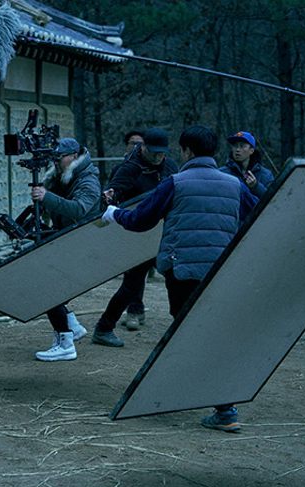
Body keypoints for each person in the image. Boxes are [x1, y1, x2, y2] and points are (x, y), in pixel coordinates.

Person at [101, 125, 258, 431]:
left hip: (182, 271)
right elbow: (258, 216)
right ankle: (186, 391)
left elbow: (140, 220)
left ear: (186, 151)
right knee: (204, 331)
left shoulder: (175, 182)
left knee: (192, 334)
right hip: (219, 272)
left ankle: (225, 408)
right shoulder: (235, 185)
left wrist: (113, 213)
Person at [93, 128, 179, 347]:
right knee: (131, 286)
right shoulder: (130, 168)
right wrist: (111, 196)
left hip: (165, 233)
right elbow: (115, 193)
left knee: (176, 281)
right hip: (138, 234)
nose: (158, 157)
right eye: (154, 152)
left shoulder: (170, 166)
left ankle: (181, 328)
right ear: (144, 148)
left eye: (162, 152)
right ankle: (104, 328)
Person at [31, 137, 101, 361]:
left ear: (74, 156)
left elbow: (79, 209)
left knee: (49, 290)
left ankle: (65, 343)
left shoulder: (88, 180)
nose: (56, 162)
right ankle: (72, 326)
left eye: (59, 158)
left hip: (82, 244)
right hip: (67, 240)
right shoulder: (61, 177)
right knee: (47, 284)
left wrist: (46, 197)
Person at [219, 131, 274, 198]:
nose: (237, 149)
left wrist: (256, 186)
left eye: (242, 146)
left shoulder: (265, 175)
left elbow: (273, 199)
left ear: (252, 150)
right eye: (235, 146)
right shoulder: (222, 173)